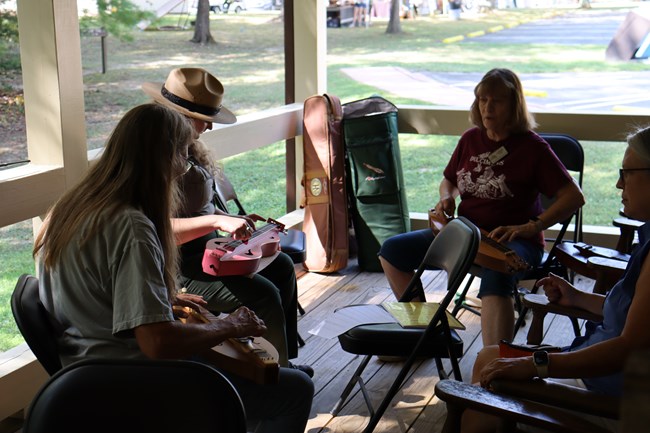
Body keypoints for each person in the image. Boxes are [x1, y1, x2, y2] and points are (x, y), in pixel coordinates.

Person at [34, 103, 314, 433]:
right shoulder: (132, 227)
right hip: (130, 382)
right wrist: (230, 326)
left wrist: (163, 302)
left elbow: (96, 291)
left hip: (84, 371)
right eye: (182, 153)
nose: (182, 168)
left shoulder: (71, 207)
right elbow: (158, 343)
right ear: (162, 157)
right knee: (296, 390)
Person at [461, 125, 650, 433]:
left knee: (490, 379)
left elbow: (629, 348)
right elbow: (636, 318)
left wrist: (535, 364)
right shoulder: (648, 238)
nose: (618, 183)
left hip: (611, 399)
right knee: (488, 356)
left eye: (627, 173)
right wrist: (578, 298)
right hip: (599, 372)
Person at [379, 68, 585, 347]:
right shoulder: (470, 139)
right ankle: (424, 336)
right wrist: (447, 197)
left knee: (497, 274)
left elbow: (574, 196)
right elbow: (449, 179)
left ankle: (495, 366)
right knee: (392, 251)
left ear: (514, 105)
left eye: (497, 101)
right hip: (466, 236)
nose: (487, 107)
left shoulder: (533, 149)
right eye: (482, 99)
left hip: (516, 243)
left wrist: (533, 225)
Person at [142, 67, 311, 376]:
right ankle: (273, 374)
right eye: (202, 119)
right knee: (264, 294)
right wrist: (213, 223)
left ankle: (283, 359)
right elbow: (158, 232)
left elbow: (197, 211)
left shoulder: (188, 149)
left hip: (208, 253)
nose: (208, 126)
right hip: (177, 267)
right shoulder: (153, 161)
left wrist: (230, 218)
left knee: (283, 266)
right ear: (177, 116)